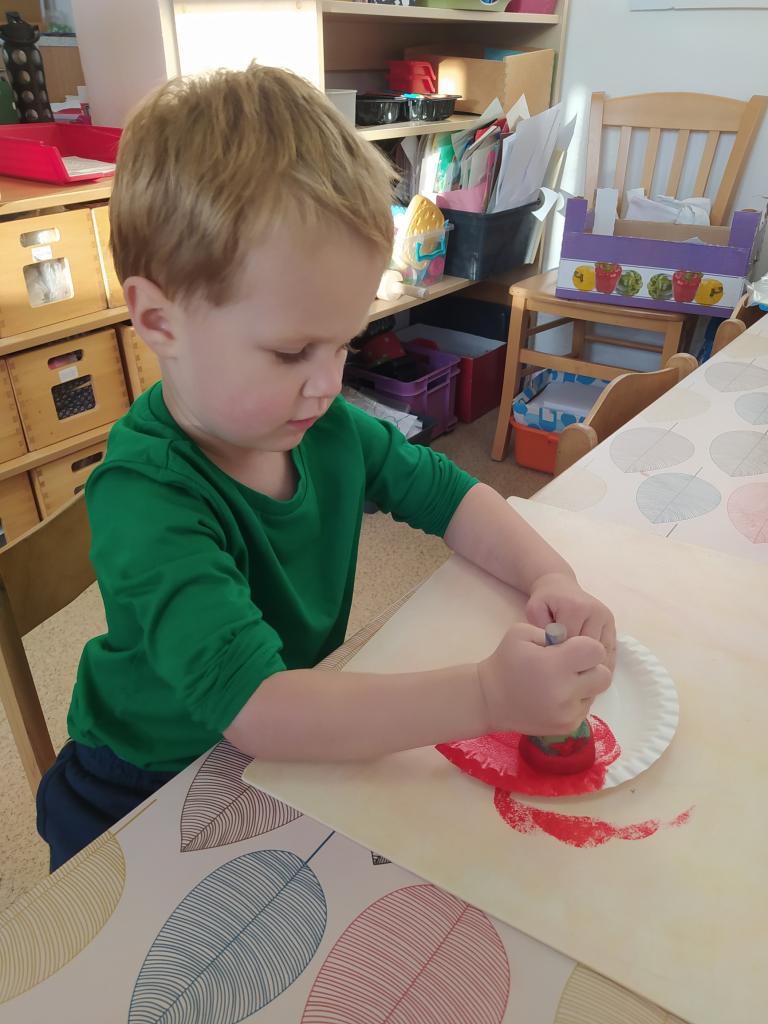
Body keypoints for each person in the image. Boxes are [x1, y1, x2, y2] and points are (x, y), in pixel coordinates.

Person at [36, 64, 615, 871]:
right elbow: (260, 711)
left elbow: (450, 496)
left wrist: (550, 575)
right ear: (158, 320)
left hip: (277, 750)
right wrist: (487, 695)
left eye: (344, 343)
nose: (328, 382)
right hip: (142, 788)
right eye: (291, 351)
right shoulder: (146, 497)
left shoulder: (322, 426)